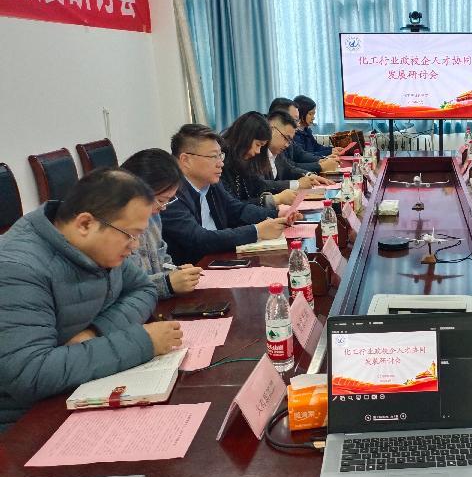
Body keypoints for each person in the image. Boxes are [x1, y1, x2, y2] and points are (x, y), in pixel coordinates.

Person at [0, 169, 183, 430]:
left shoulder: (100, 246)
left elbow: (143, 289)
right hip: (25, 422)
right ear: (85, 224)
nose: (134, 246)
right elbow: (29, 374)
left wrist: (96, 331)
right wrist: (143, 343)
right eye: (130, 235)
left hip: (79, 389)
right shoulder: (17, 268)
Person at [161, 124, 290, 265]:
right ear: (186, 160)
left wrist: (277, 214)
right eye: (213, 156)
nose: (220, 163)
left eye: (220, 155)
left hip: (220, 258)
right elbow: (199, 239)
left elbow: (237, 210)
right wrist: (256, 231)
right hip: (195, 269)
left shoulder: (212, 184)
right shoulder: (169, 195)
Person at [121, 148, 203, 299]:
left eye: (168, 200)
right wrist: (167, 283)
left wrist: (177, 272)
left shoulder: (154, 217)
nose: (163, 207)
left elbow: (163, 259)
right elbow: (122, 288)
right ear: (136, 191)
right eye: (161, 200)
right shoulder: (114, 228)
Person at [220, 111, 303, 207]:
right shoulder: (221, 162)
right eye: (258, 145)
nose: (258, 151)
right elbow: (233, 207)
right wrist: (274, 199)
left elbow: (257, 186)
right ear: (245, 137)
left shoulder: (245, 159)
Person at [264, 109, 333, 191]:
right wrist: (296, 184)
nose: (287, 145)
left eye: (289, 141)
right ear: (272, 129)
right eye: (286, 138)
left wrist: (309, 175)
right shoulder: (257, 153)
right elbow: (261, 185)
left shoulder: (276, 152)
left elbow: (288, 169)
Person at [269, 98, 340, 175]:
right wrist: (319, 166)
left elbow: (300, 154)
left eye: (298, 120)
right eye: (294, 120)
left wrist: (321, 160)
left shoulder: (293, 134)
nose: (298, 124)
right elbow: (288, 167)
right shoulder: (269, 143)